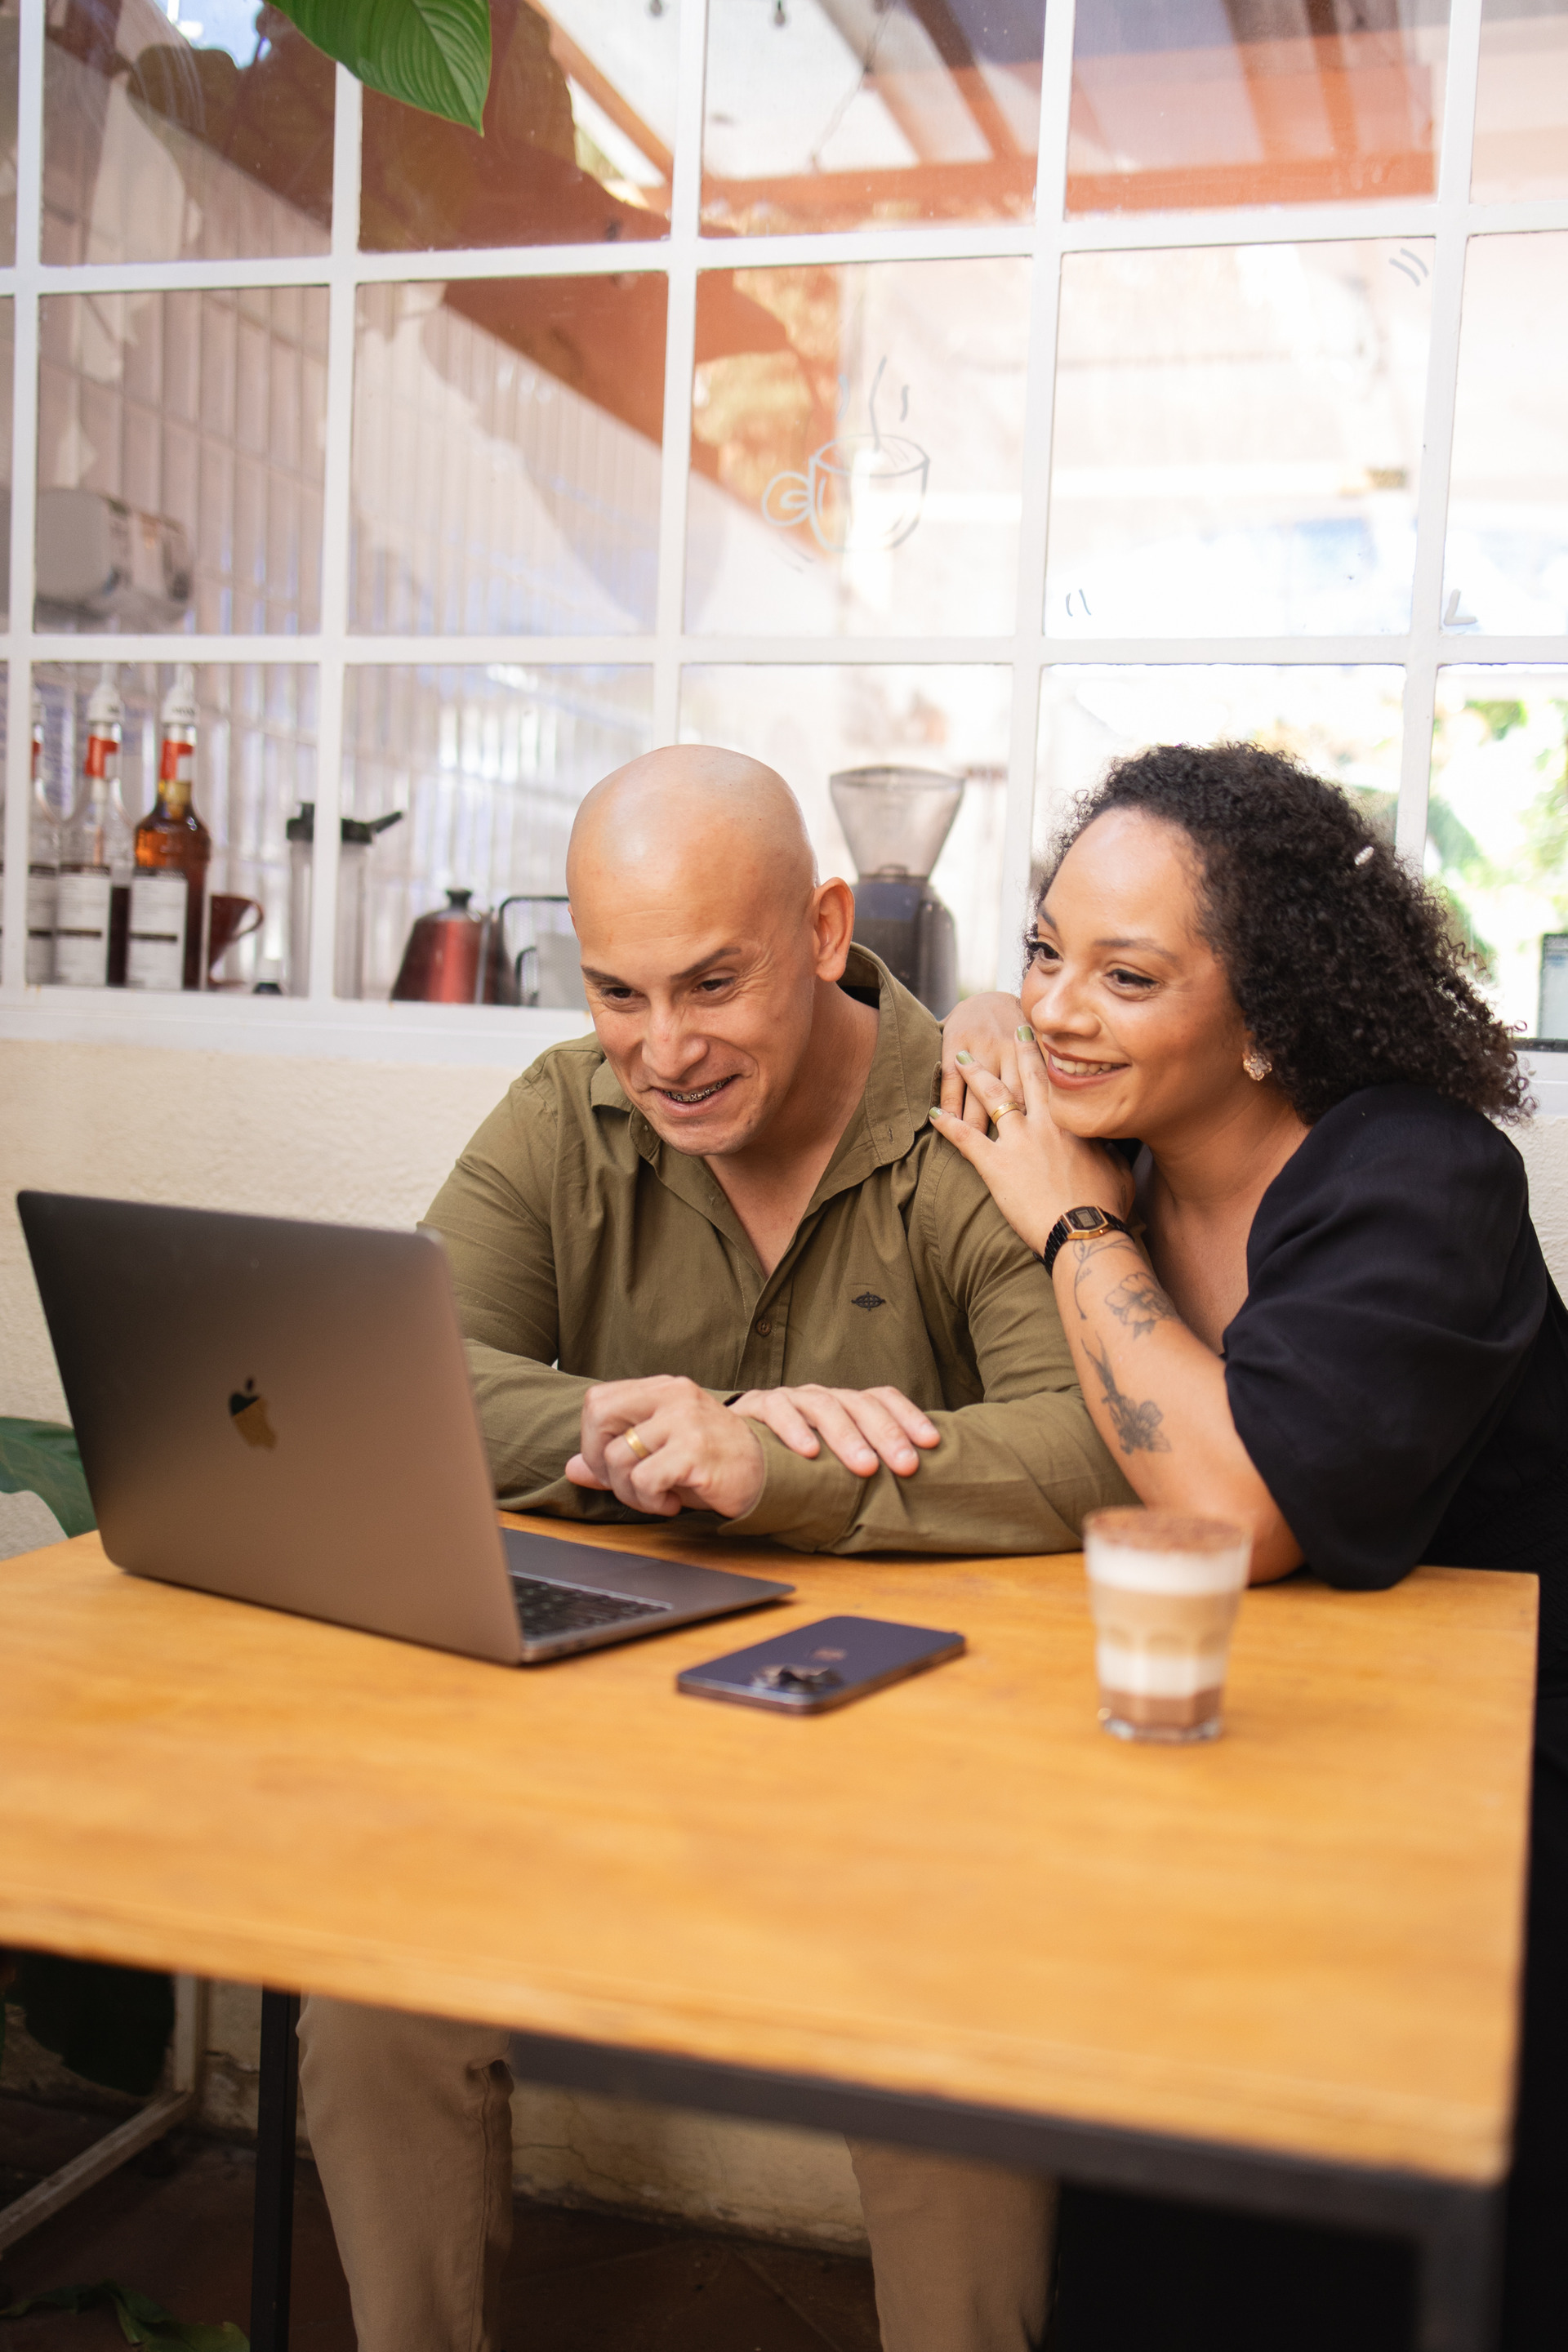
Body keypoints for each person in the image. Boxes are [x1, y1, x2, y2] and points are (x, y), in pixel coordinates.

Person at [296, 744, 1133, 2352]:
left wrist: (772, 1469)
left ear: (825, 929)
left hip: (916, 1771)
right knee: (367, 2001)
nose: (662, 1052)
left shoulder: (979, 1118)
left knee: (951, 2057)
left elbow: (1097, 1445)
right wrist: (657, 1427)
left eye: (711, 984)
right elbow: (399, 1382)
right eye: (617, 993)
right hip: (596, 1741)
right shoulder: (564, 1112)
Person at [933, 741, 1567, 2350]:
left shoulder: (1423, 1177)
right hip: (1258, 1726)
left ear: (1271, 1013)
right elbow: (986, 1026)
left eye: (1128, 975)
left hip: (1493, 1773)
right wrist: (993, 1016)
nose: (1061, 1007)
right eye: (1045, 948)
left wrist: (1071, 1220)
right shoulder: (1130, 1131)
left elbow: (1236, 1515)